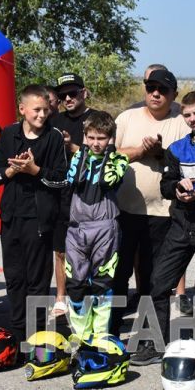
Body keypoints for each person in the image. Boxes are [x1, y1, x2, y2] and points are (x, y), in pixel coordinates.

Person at [132, 91, 195, 365]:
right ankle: (154, 344)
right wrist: (178, 189)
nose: (192, 119)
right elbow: (166, 186)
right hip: (180, 224)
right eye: (187, 115)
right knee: (158, 283)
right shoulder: (177, 148)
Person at [112, 67, 190, 336]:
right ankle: (111, 328)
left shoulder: (181, 122)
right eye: (150, 88)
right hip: (124, 210)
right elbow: (110, 153)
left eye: (163, 90)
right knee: (118, 274)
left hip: (163, 213)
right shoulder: (126, 118)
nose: (155, 94)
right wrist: (140, 151)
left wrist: (160, 155)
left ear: (174, 95)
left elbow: (187, 161)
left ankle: (151, 335)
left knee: (153, 279)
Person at [0, 85, 68, 338]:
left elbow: (61, 180)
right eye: (36, 110)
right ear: (22, 109)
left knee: (37, 280)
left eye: (46, 110)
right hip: (11, 216)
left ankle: (35, 333)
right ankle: (16, 331)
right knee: (14, 277)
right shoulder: (9, 134)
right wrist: (13, 170)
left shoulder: (54, 137)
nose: (41, 115)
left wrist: (35, 170)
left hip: (39, 218)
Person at [63, 111, 129, 340]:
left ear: (110, 138)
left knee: (102, 282)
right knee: (76, 283)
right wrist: (82, 150)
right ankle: (80, 337)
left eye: (101, 138)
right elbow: (73, 180)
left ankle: (100, 336)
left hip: (105, 228)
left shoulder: (119, 159)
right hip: (77, 228)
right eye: (91, 137)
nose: (95, 143)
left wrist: (110, 150)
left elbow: (108, 180)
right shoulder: (79, 156)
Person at [49, 73, 96, 318]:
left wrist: (73, 147)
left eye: (73, 93)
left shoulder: (96, 119)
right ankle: (60, 297)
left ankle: (86, 296)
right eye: (62, 95)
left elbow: (104, 155)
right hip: (61, 193)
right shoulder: (55, 120)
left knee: (87, 249)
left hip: (89, 195)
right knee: (60, 249)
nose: (67, 98)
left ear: (84, 93)